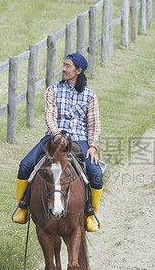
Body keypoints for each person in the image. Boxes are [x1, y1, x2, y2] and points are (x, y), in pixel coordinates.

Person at [11, 52, 103, 231]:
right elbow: (50, 115)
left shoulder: (90, 96)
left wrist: (92, 146)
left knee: (96, 173)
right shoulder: (53, 90)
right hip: (53, 138)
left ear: (78, 71)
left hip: (78, 140)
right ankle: (22, 207)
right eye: (64, 65)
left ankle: (90, 212)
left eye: (68, 66)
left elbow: (94, 124)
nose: (63, 69)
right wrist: (56, 133)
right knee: (25, 165)